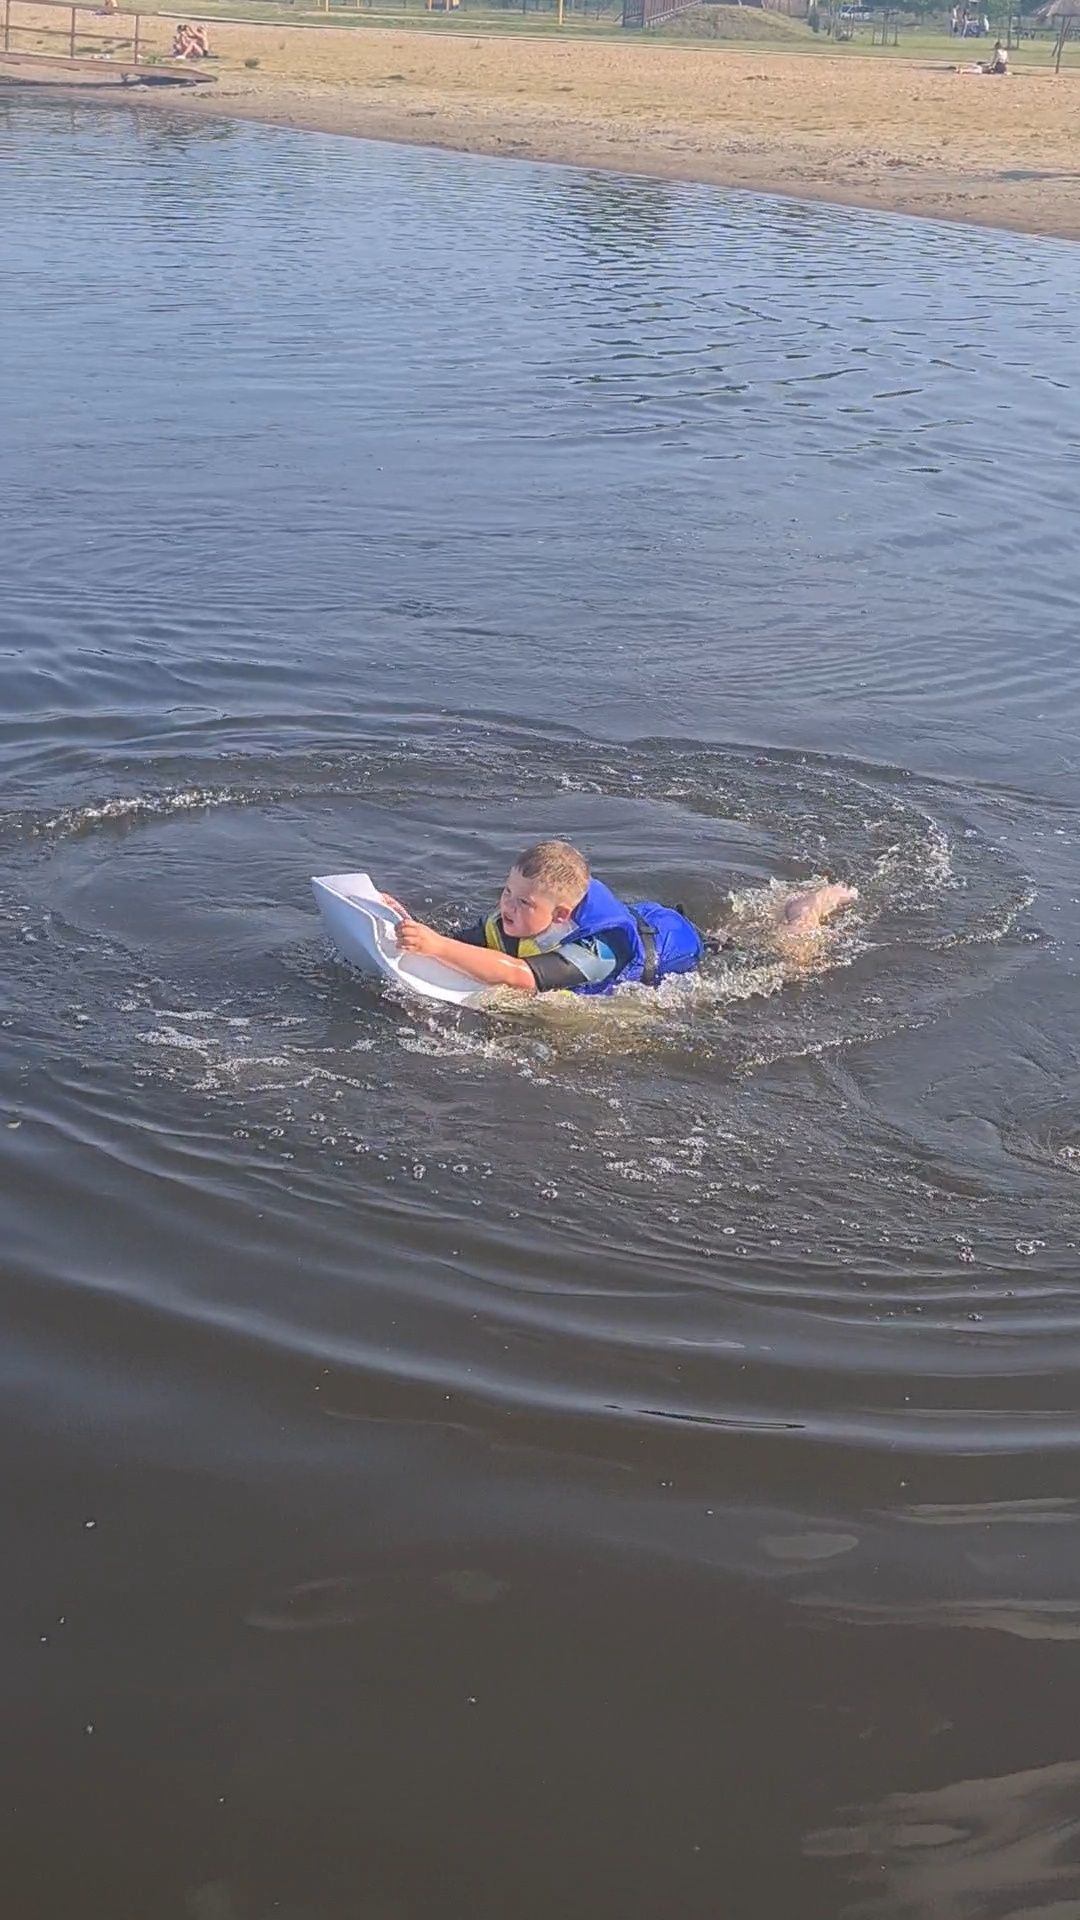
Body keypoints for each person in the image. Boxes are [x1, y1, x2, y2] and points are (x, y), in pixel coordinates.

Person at [384, 839, 856, 998]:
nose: (508, 907)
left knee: (792, 958)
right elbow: (452, 941)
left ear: (562, 914)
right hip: (649, 919)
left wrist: (437, 948)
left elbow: (523, 976)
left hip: (681, 951)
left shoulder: (599, 950)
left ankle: (808, 909)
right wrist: (401, 922)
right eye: (507, 892)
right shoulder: (512, 920)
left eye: (523, 903)